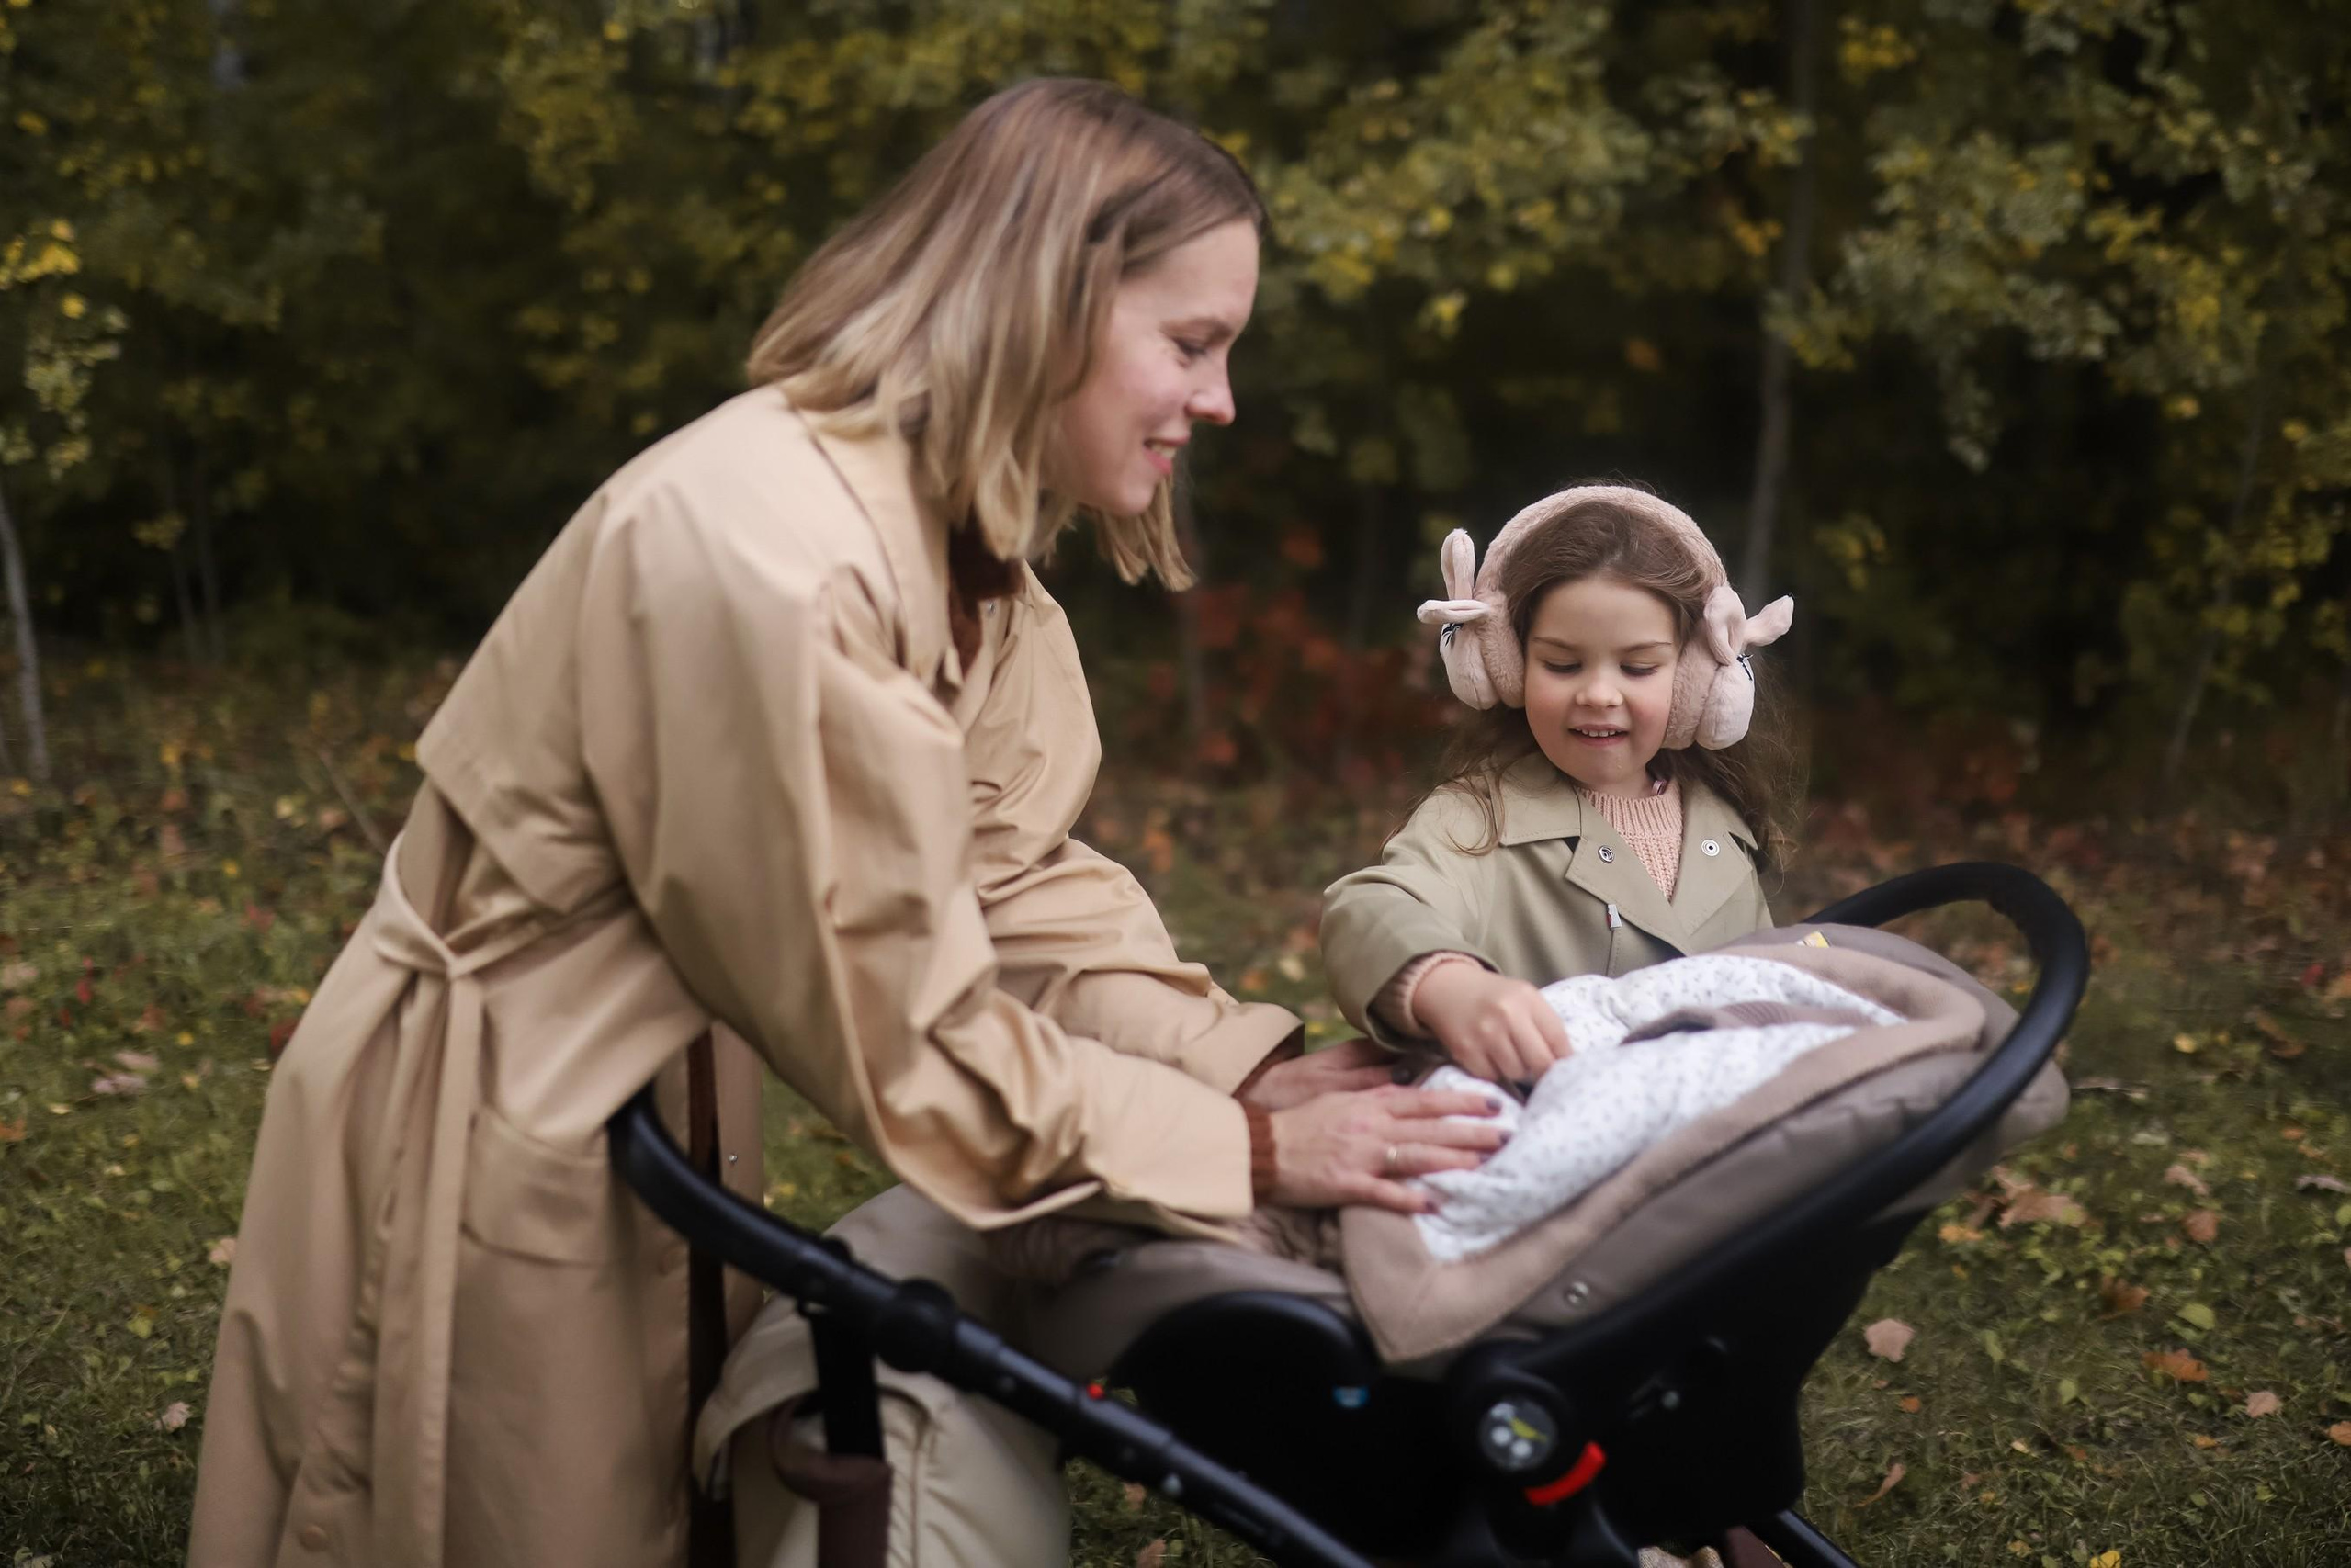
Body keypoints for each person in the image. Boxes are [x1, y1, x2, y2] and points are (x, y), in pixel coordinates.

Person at [186, 78, 1503, 1568]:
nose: (1220, 400)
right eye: (1191, 343)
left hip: (640, 1094)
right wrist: (1247, 1151)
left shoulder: (962, 552)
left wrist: (1247, 1063)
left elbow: (1009, 881)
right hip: (495, 1122)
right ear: (1046, 303)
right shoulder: (779, 562)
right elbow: (907, 1033)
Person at [1320, 485, 1798, 1085]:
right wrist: (1448, 985)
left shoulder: (1724, 832)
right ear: (1508, 666)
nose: (1598, 693)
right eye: (1563, 664)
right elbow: (1369, 909)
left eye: (1638, 666)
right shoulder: (1474, 820)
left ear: (1697, 678)